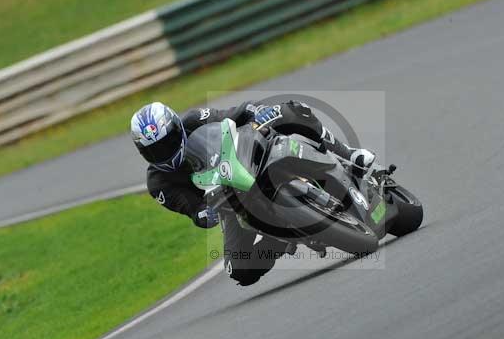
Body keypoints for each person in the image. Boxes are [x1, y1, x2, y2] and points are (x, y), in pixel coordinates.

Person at [130, 100, 375, 286]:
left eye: (168, 140)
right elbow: (190, 207)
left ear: (177, 126)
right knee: (239, 270)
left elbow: (230, 115)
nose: (165, 151)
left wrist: (251, 111)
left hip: (249, 157)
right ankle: (278, 239)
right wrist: (203, 214)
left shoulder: (195, 120)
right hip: (228, 201)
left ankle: (347, 152)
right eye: (155, 150)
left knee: (291, 109)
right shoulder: (158, 183)